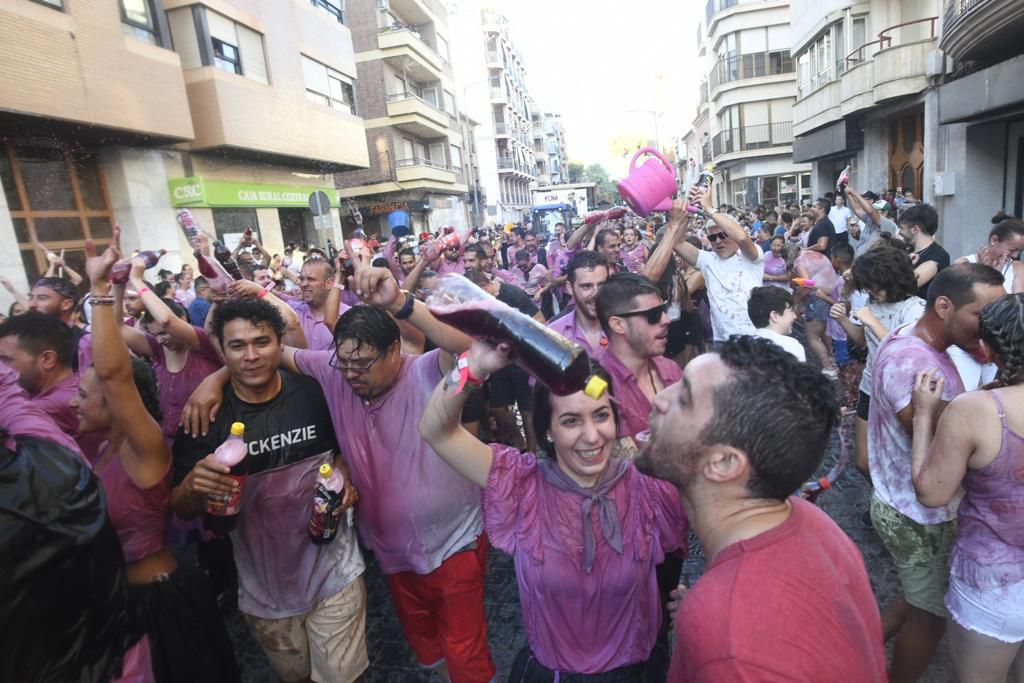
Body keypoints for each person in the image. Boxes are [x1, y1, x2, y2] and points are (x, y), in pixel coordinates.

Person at [183, 259, 498, 682]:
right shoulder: (333, 372)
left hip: (453, 540)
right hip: (391, 550)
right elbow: (266, 356)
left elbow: (467, 348)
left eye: (364, 365)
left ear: (394, 353)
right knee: (424, 641)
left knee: (464, 646)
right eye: (344, 363)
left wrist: (402, 302)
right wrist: (216, 378)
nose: (352, 376)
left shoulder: (425, 372)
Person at [418, 343, 686, 680]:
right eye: (571, 421)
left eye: (601, 415)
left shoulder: (650, 485)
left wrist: (701, 600)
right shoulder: (520, 483)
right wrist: (472, 365)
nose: (591, 436)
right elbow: (434, 430)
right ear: (547, 429)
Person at [636, 336, 886, 681]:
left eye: (683, 397)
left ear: (723, 463)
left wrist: (719, 610)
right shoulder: (809, 519)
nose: (659, 398)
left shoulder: (727, 636)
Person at [171, 299, 366, 683]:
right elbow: (181, 508)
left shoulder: (314, 393)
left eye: (261, 342)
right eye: (237, 346)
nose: (251, 355)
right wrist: (194, 485)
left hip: (335, 572)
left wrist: (344, 474)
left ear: (280, 344)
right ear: (222, 352)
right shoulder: (205, 417)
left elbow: (347, 447)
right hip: (265, 591)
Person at [76, 232, 238, 683]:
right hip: (124, 600)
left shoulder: (138, 447)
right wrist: (116, 289)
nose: (72, 402)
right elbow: (106, 347)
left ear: (115, 402)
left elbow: (113, 371)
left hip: (161, 603)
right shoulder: (104, 449)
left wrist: (107, 288)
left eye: (84, 395)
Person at [868, 262, 1005, 682]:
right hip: (919, 514)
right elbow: (931, 441)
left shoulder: (926, 342)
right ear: (944, 306)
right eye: (983, 316)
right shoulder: (913, 362)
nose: (990, 328)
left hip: (915, 508)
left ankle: (859, 648)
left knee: (917, 597)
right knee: (930, 617)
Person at [910, 292, 1024, 682]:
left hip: (993, 587)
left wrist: (925, 414)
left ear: (988, 349)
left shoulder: (974, 410)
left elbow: (932, 492)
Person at [830, 244, 925, 479]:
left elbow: (905, 354)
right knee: (863, 462)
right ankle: (882, 500)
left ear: (890, 279)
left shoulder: (914, 308)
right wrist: (843, 320)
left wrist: (872, 321)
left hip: (900, 394)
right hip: (870, 386)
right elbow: (864, 341)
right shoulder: (872, 303)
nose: (870, 291)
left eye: (873, 285)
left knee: (901, 459)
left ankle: (892, 507)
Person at [122, 263, 225, 442]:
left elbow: (167, 320)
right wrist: (118, 282)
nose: (160, 340)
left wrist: (137, 280)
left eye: (163, 333)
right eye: (155, 334)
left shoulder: (201, 343)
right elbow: (116, 327)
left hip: (209, 442)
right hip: (171, 446)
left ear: (183, 320)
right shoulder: (158, 349)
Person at [673, 192, 764, 343]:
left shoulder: (751, 256)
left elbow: (741, 238)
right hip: (722, 343)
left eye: (723, 235)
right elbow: (676, 243)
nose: (718, 241)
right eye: (712, 237)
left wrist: (709, 208)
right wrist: (689, 210)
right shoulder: (707, 260)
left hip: (754, 339)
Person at [0, 312, 80, 438]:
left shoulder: (46, 408)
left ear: (47, 359)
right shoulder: (75, 383)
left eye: (6, 360)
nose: (1, 369)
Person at [548, 250, 609, 355]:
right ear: (570, 288)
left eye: (602, 285)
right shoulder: (553, 335)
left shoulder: (626, 328)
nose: (596, 293)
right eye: (587, 286)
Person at [290, 258, 349, 350]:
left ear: (329, 284)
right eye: (302, 279)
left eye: (311, 279)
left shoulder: (348, 315)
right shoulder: (292, 312)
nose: (304, 284)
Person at [899, 203, 950, 300]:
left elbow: (905, 287)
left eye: (902, 228)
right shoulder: (908, 250)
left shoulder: (937, 256)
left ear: (915, 229)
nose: (899, 232)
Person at [747, 286, 805, 361]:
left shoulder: (746, 345)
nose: (795, 316)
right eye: (791, 311)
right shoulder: (792, 346)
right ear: (774, 316)